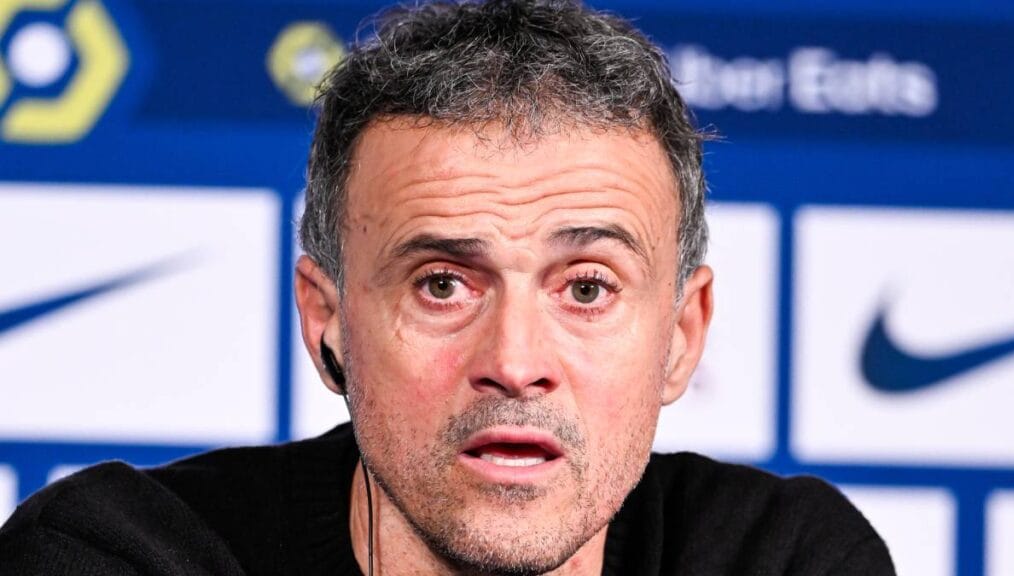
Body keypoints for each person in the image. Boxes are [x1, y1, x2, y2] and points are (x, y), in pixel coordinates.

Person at [0, 1, 895, 574]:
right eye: (441, 285)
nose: (515, 361)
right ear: (327, 321)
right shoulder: (120, 553)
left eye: (587, 289)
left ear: (683, 334)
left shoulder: (782, 558)